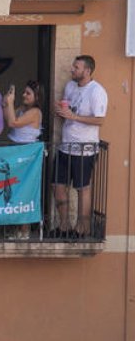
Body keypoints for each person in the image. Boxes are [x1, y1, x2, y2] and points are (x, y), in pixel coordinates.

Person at [53, 55, 107, 237]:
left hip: (85, 149)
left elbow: (100, 120)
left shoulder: (96, 91)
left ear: (87, 70)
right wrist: (60, 110)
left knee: (82, 188)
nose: (72, 70)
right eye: (73, 66)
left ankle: (82, 229)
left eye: (76, 67)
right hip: (65, 146)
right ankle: (64, 226)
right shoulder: (70, 86)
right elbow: (67, 111)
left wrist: (73, 117)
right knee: (57, 185)